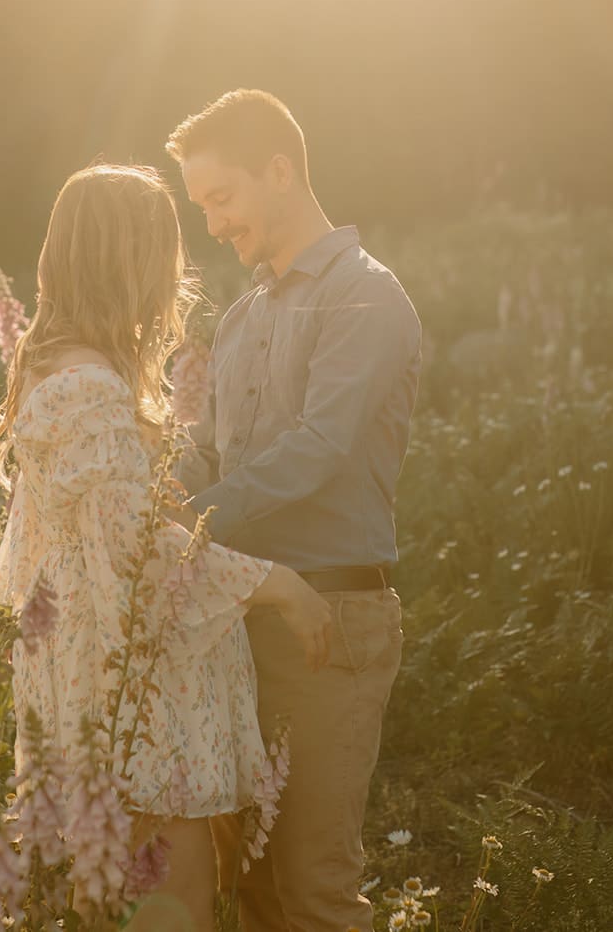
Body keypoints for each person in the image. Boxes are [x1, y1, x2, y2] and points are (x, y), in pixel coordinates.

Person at [0, 163, 334, 931]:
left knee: (112, 906)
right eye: (165, 252)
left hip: (99, 693)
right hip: (128, 709)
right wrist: (278, 582)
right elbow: (135, 554)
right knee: (172, 906)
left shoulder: (64, 369)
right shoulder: (87, 386)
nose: (178, 274)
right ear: (130, 261)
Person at [165, 89, 423, 932]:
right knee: (255, 890)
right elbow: (209, 450)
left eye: (222, 198)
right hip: (241, 618)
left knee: (314, 889)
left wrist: (194, 520)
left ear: (280, 170)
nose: (212, 223)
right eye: (201, 205)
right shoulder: (242, 316)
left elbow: (319, 445)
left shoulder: (367, 296)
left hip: (329, 625)